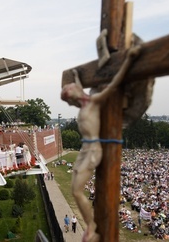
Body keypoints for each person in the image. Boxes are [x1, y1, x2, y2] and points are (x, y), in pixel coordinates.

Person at [61, 45, 140, 242]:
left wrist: (129, 60)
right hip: (85, 148)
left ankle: (92, 228)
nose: (70, 102)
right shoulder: (84, 102)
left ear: (76, 93)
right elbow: (80, 89)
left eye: (69, 97)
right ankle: (91, 227)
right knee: (74, 189)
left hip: (93, 149)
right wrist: (77, 77)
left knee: (77, 191)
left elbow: (114, 84)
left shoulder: (94, 101)